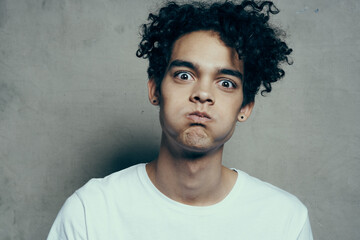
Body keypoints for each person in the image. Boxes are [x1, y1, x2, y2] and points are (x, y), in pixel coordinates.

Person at [47, 1, 313, 239]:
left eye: (225, 82)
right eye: (184, 75)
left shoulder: (284, 221)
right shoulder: (90, 211)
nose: (203, 94)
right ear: (154, 90)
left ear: (245, 107)